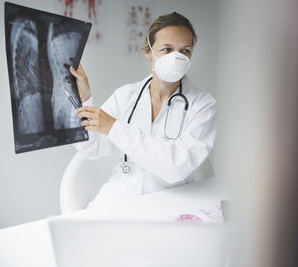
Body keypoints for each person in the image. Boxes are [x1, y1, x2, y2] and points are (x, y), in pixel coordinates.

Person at [69, 12, 217, 208]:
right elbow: (92, 148)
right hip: (118, 194)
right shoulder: (125, 96)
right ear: (149, 53)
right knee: (79, 234)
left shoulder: (203, 106)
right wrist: (86, 99)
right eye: (167, 49)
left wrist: (114, 128)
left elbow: (177, 168)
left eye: (185, 50)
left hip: (169, 201)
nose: (177, 57)